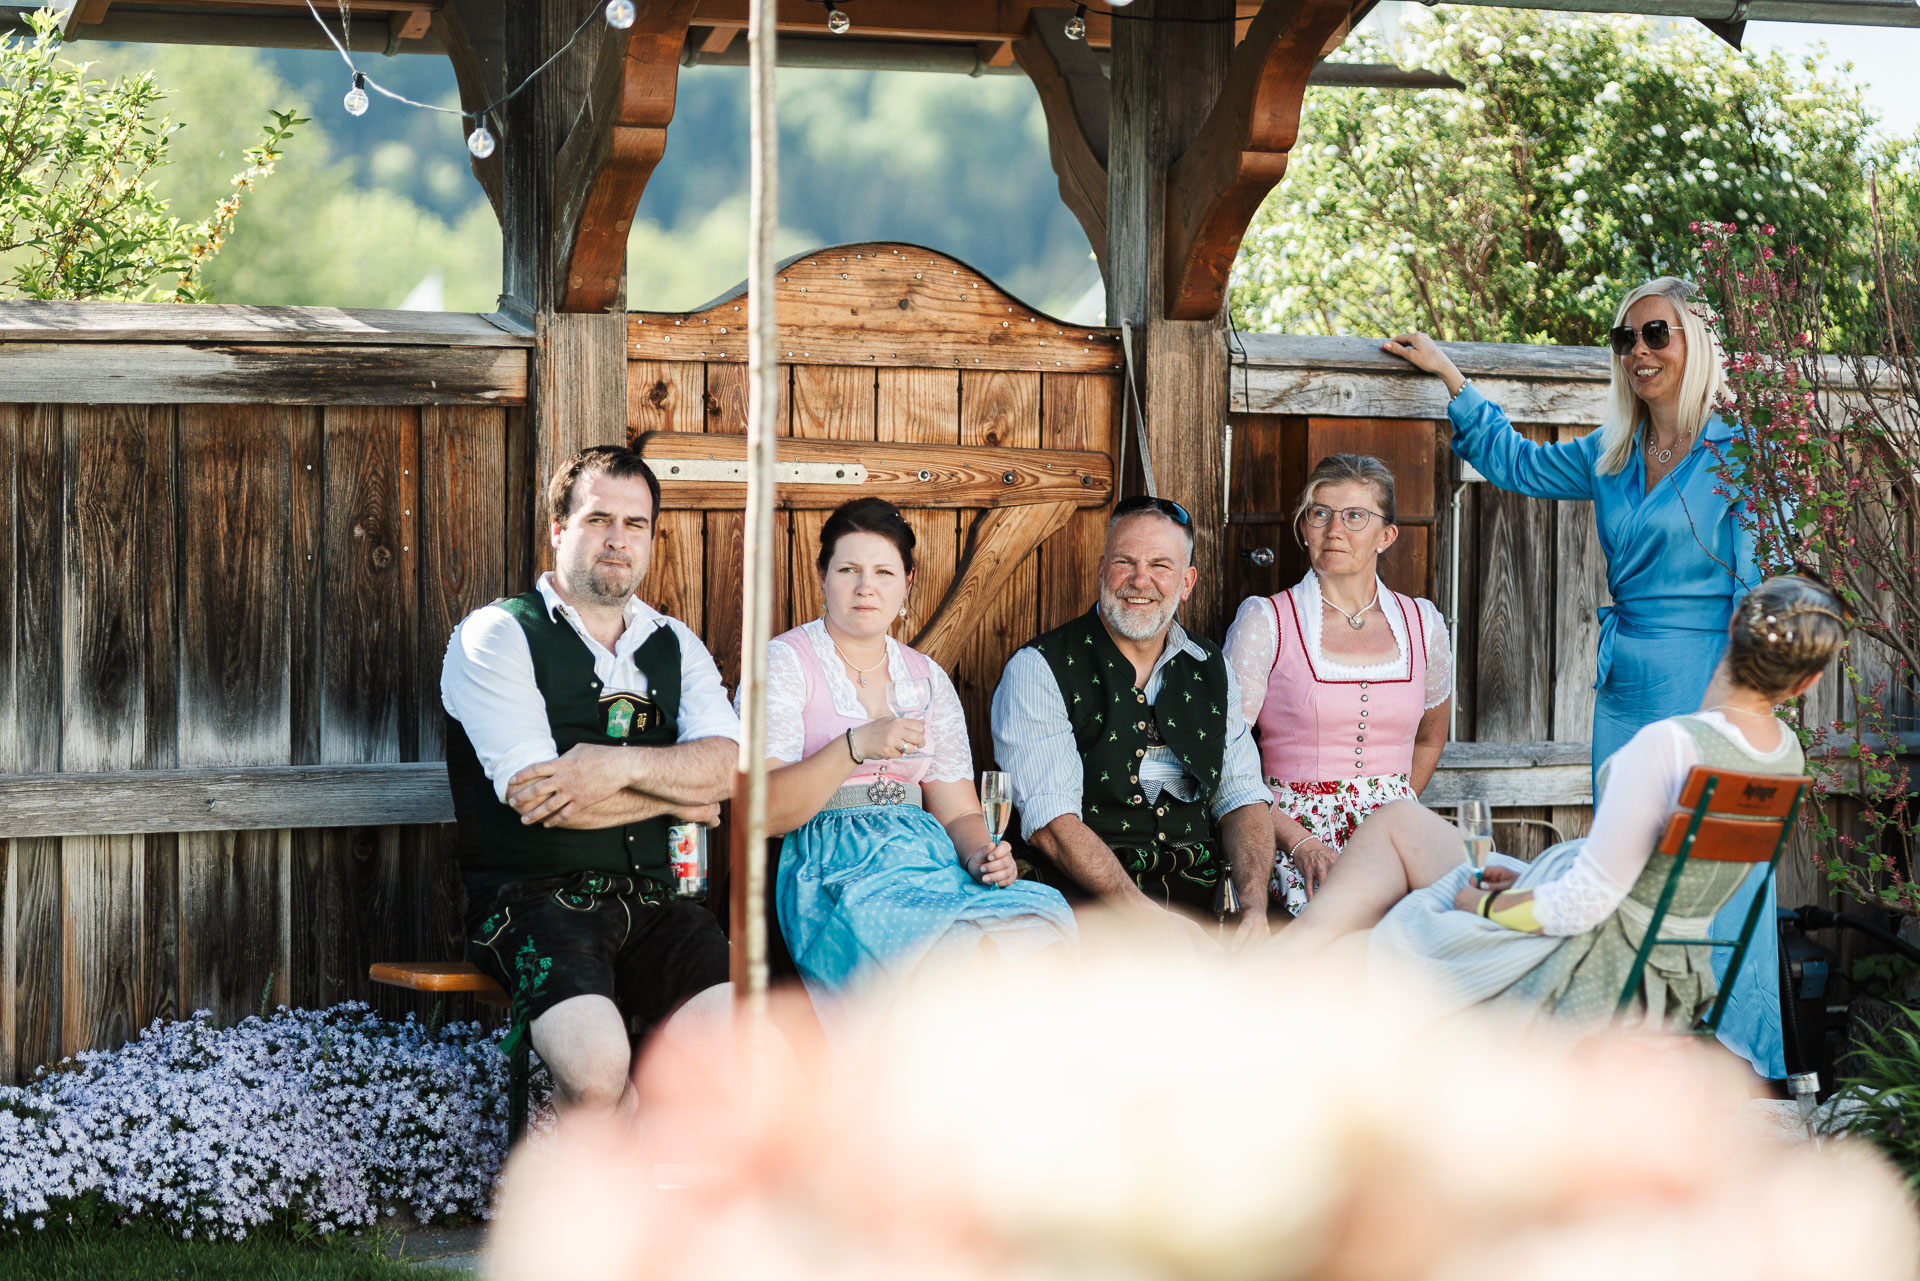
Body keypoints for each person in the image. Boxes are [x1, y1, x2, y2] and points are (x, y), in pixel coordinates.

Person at [1380, 276, 1786, 1077]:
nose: (1638, 351)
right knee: (1623, 872)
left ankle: (1732, 1059)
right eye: (1625, 338)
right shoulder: (1612, 453)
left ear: (1696, 344)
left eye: (1656, 333)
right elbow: (1516, 463)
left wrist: (1730, 709)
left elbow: (1758, 597)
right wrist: (1452, 377)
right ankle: (1632, 1055)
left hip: (1706, 683)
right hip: (1624, 690)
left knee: (1714, 876)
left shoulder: (1741, 455)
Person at [1271, 574, 1842, 1040]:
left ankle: (1271, 980)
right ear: (1807, 682)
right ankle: (1290, 957)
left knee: (1358, 949)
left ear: (1734, 623)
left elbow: (1582, 905)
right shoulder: (1784, 756)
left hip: (1593, 956)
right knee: (1397, 819)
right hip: (1670, 957)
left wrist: (1487, 906)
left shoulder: (1671, 745)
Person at [442, 445, 740, 1120]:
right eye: (599, 519)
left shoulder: (675, 642)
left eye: (635, 524)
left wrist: (616, 766)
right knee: (598, 1073)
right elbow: (541, 798)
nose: (617, 539)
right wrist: (678, 793)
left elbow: (727, 767)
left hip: (659, 904)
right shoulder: (498, 633)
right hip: (533, 903)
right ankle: (610, 1166)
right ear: (559, 529)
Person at [755, 498, 1076, 1020]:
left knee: (1035, 925)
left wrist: (980, 855)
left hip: (927, 864)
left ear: (907, 583)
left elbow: (959, 810)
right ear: (822, 576)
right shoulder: (786, 662)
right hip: (834, 865)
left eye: (883, 572)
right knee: (953, 955)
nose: (866, 587)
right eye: (848, 570)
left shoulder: (927, 677)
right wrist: (854, 746)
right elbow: (764, 811)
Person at [991, 495, 1274, 947]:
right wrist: (1148, 919)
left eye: (1160, 565)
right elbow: (1052, 826)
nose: (1140, 580)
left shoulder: (1212, 667)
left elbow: (1242, 798)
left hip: (1201, 892)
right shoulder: (1039, 668)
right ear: (1102, 569)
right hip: (1087, 900)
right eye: (1125, 561)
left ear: (1186, 582)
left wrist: (1254, 906)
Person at [1223, 454, 1451, 915]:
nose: (1334, 530)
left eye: (1355, 516)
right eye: (1320, 513)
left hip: (1398, 835)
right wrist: (1299, 841)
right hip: (1294, 839)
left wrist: (1391, 804)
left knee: (1459, 913)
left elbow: (1430, 737)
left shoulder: (1423, 623)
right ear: (1304, 528)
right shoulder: (1266, 621)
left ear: (1386, 536)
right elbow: (1227, 759)